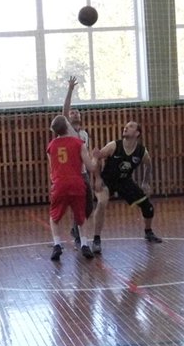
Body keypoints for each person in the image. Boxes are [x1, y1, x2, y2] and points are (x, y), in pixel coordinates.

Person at [92, 121, 162, 253]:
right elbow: (96, 157)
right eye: (126, 126)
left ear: (137, 133)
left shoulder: (142, 151)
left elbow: (148, 165)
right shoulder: (114, 146)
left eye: (130, 126)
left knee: (148, 207)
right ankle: (96, 239)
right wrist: (98, 178)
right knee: (101, 202)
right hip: (107, 180)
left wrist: (145, 182)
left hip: (124, 181)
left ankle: (148, 232)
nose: (126, 127)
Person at [46, 115, 98, 260]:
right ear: (67, 127)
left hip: (59, 184)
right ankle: (84, 245)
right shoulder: (79, 143)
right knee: (81, 216)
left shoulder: (51, 146)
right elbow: (91, 167)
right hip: (76, 183)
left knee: (54, 217)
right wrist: (95, 157)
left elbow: (52, 168)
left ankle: (57, 245)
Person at [63, 76, 94, 248]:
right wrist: (70, 90)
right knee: (78, 206)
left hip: (84, 173)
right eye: (72, 112)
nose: (75, 113)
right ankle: (78, 237)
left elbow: (85, 155)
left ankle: (75, 229)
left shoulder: (84, 134)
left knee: (89, 206)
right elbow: (64, 109)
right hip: (72, 175)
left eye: (77, 112)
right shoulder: (67, 130)